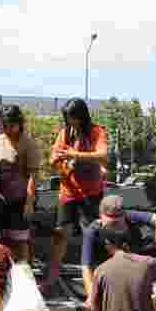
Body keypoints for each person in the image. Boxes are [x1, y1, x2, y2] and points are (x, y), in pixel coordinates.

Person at [43, 98, 109, 293]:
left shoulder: (97, 131)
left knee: (94, 236)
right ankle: (51, 279)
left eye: (74, 118)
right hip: (69, 192)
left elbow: (102, 155)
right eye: (68, 119)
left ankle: (99, 282)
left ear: (82, 116)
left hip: (91, 193)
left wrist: (75, 155)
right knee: (60, 234)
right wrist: (58, 160)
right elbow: (53, 158)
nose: (71, 122)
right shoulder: (66, 133)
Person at [80, 195, 156, 306]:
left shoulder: (129, 217)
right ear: (101, 215)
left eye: (118, 221)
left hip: (135, 275)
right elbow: (86, 267)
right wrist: (91, 297)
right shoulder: (92, 232)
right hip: (109, 279)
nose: (115, 225)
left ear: (124, 214)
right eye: (111, 221)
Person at [0, 105, 40, 262]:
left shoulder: (28, 144)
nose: (7, 129)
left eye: (11, 125)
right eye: (4, 126)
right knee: (1, 239)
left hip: (20, 200)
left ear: (19, 123)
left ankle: (24, 272)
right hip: (0, 200)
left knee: (20, 239)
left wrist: (29, 202)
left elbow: (33, 176)